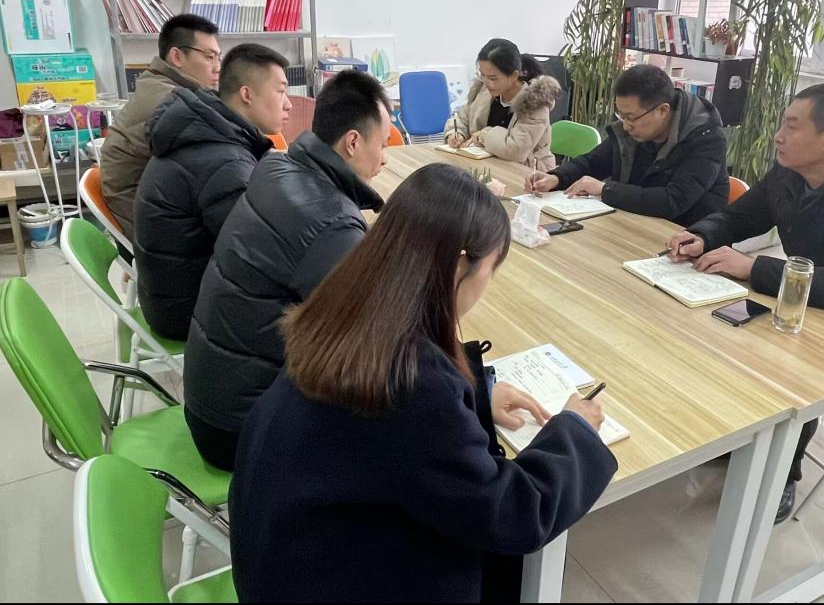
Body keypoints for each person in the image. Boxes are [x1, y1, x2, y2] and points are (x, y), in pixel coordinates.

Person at [230, 163, 618, 602]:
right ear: (459, 267)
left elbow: (393, 437)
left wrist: (476, 394)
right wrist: (575, 430)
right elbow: (512, 515)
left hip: (284, 560)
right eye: (491, 268)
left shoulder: (344, 305)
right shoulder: (413, 382)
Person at [665, 82, 824, 523]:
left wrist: (753, 268)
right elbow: (739, 216)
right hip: (809, 296)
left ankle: (784, 470)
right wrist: (702, 235)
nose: (778, 136)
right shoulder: (792, 171)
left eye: (792, 126)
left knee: (788, 363)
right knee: (715, 325)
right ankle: (745, 433)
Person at [184, 70, 392, 470]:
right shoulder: (330, 223)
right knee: (402, 422)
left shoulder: (278, 167)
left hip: (213, 398)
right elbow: (377, 338)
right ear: (352, 142)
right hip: (240, 430)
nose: (384, 157)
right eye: (382, 144)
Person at [134, 44, 292, 341]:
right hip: (186, 311)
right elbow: (257, 254)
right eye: (281, 91)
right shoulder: (223, 160)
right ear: (247, 95)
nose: (289, 105)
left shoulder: (208, 132)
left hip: (171, 294)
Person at [526, 64, 729, 226]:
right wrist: (556, 177)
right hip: (633, 222)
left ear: (663, 110)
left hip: (685, 240)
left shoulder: (706, 138)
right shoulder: (635, 128)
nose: (625, 125)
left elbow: (672, 200)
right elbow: (593, 162)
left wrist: (605, 189)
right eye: (621, 115)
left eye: (631, 117)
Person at [101, 14, 220, 242]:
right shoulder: (170, 99)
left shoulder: (160, 84)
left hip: (151, 200)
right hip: (144, 217)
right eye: (209, 57)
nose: (218, 68)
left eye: (218, 57)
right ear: (177, 56)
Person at [443, 38, 561, 171]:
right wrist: (456, 134)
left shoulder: (534, 103)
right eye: (483, 75)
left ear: (514, 75)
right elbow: (463, 118)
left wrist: (484, 135)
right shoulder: (484, 91)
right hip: (487, 167)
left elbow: (515, 150)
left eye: (493, 78)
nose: (487, 82)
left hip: (527, 173)